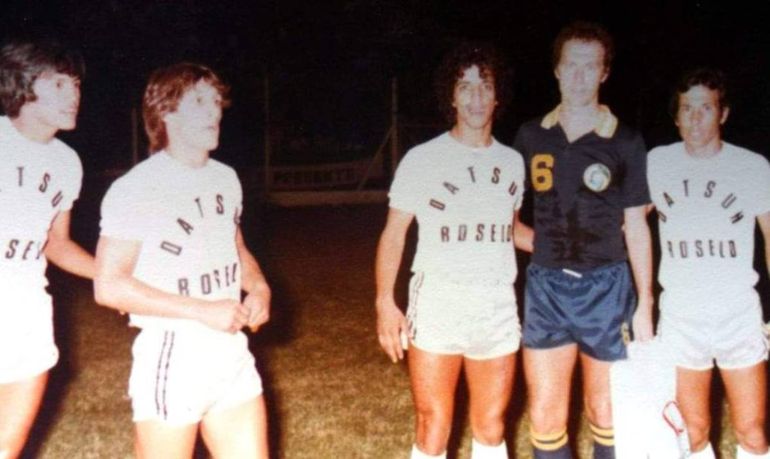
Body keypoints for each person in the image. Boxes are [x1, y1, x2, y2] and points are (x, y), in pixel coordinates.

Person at [93, 63, 271, 458]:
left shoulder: (225, 177)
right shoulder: (137, 188)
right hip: (174, 354)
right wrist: (200, 311)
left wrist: (258, 287)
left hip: (231, 351)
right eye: (199, 101)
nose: (215, 111)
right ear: (166, 112)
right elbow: (108, 286)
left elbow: (236, 248)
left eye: (216, 101)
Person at [375, 42, 529, 459]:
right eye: (465, 86)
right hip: (439, 303)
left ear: (499, 95)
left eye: (485, 86)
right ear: (451, 96)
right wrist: (385, 303)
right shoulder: (423, 159)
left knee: (492, 425)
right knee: (433, 423)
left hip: (496, 306)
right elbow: (393, 235)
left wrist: (579, 249)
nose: (476, 97)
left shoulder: (514, 162)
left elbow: (511, 230)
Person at [512, 21, 653, 459]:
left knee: (606, 410)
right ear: (556, 70)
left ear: (604, 73)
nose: (579, 76)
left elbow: (637, 227)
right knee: (546, 414)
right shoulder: (531, 135)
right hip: (547, 288)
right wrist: (548, 246)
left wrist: (645, 302)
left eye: (590, 66)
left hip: (608, 289)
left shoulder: (626, 141)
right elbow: (506, 220)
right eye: (570, 65)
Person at [647, 68, 770, 459]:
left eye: (706, 107)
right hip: (682, 316)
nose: (696, 117)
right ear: (676, 116)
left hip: (738, 314)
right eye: (687, 108)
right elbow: (624, 223)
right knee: (693, 431)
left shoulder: (752, 167)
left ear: (724, 114)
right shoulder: (656, 164)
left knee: (751, 430)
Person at [0, 40, 95, 459]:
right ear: (23, 84)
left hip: (27, 314)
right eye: (59, 83)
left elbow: (57, 244)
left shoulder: (66, 163)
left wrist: (117, 277)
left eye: (75, 83)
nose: (73, 94)